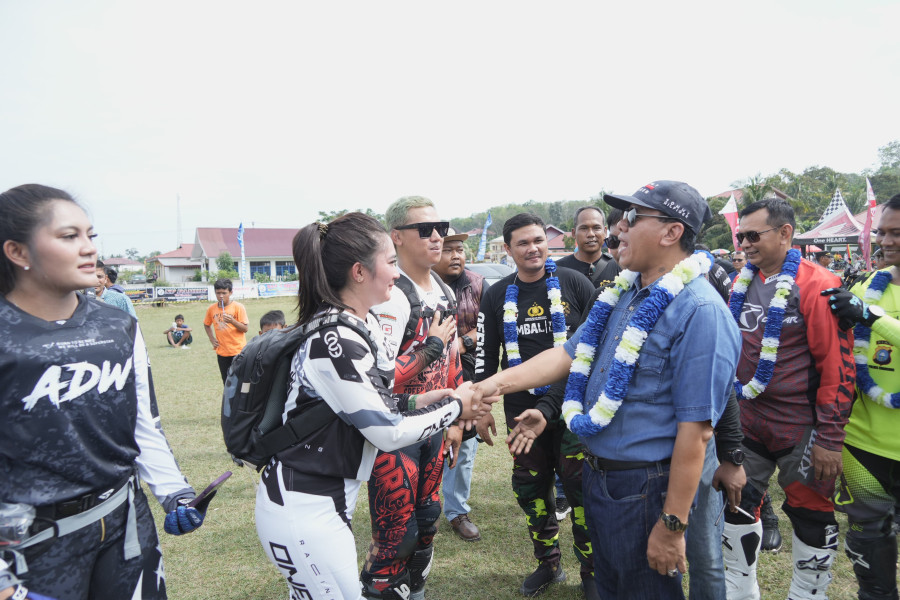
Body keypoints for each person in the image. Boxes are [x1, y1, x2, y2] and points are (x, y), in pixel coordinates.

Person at [477, 181, 740, 599]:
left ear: (672, 232)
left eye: (633, 218)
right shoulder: (624, 294)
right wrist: (489, 386)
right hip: (602, 480)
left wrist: (671, 526)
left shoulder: (700, 310)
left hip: (647, 488)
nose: (619, 228)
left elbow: (696, 432)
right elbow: (566, 355)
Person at [254, 212, 486, 600]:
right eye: (391, 262)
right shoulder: (335, 337)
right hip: (302, 507)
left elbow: (370, 397)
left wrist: (420, 399)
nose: (397, 273)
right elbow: (386, 432)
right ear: (360, 272)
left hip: (328, 502)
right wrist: (454, 409)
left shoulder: (358, 324)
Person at [0, 184, 208, 600]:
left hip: (124, 523)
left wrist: (174, 492)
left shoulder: (118, 325)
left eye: (90, 235)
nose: (89, 248)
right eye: (68, 236)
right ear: (17, 252)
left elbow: (141, 420)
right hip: (31, 546)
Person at [723, 198, 854, 600]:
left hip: (802, 427)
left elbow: (838, 367)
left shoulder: (818, 284)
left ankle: (807, 595)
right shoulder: (740, 282)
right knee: (735, 502)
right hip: (747, 420)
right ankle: (740, 592)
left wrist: (830, 438)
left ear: (785, 233)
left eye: (753, 235)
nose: (744, 244)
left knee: (811, 512)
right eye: (740, 236)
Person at [476, 212, 597, 597]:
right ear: (508, 249)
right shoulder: (496, 294)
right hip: (522, 414)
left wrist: (554, 405)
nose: (533, 249)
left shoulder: (575, 283)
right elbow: (486, 358)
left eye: (539, 240)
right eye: (523, 243)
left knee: (581, 490)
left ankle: (592, 570)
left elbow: (592, 350)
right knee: (531, 488)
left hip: (573, 409)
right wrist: (481, 407)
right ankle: (548, 563)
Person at [361, 196, 465, 600]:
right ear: (397, 237)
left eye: (441, 228)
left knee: (427, 522)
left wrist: (455, 420)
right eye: (425, 229)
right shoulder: (390, 296)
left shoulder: (443, 288)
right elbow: (379, 379)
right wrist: (430, 347)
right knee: (396, 534)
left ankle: (415, 590)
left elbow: (453, 359)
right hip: (395, 431)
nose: (437, 236)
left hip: (435, 426)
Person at [821, 192, 900, 600]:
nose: (885, 241)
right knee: (868, 547)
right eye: (882, 232)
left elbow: (872, 321)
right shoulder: (871, 284)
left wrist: (872, 317)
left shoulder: (871, 302)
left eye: (896, 233)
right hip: (864, 445)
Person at [432, 227, 488, 542]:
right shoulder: (420, 286)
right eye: (447, 249)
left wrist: (463, 342)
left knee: (464, 446)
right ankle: (423, 508)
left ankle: (456, 511)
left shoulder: (477, 284)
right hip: (426, 378)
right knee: (428, 442)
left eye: (460, 250)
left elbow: (491, 326)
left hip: (468, 377)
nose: (456, 256)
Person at [556, 206, 620, 289]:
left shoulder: (619, 267)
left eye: (596, 228)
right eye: (584, 228)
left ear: (605, 231)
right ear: (574, 233)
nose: (591, 234)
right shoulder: (558, 269)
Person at [203, 278, 249, 383]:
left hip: (238, 351)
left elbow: (245, 329)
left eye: (224, 293)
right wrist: (211, 339)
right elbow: (206, 324)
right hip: (222, 352)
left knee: (240, 381)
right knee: (227, 381)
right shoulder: (211, 309)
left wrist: (232, 321)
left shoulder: (238, 307)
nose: (221, 296)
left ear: (230, 292)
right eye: (218, 293)